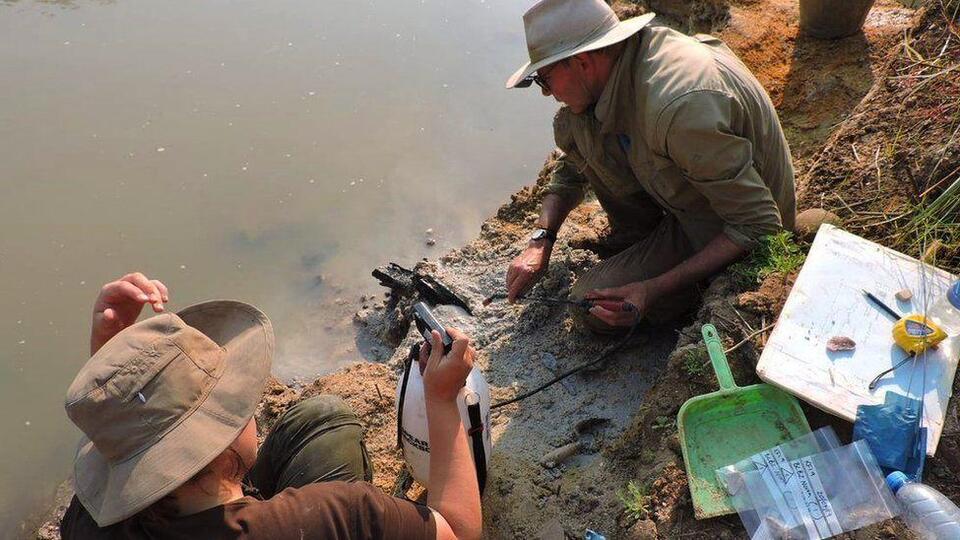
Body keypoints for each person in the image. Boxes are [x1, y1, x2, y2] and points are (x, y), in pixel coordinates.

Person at [59, 272, 482, 539]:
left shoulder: (88, 525)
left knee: (320, 418)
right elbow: (459, 532)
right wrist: (441, 400)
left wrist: (114, 361)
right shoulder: (336, 516)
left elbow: (124, 436)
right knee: (331, 425)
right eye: (234, 399)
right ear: (221, 440)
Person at [504, 0, 796, 332]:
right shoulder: (624, 65)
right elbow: (572, 167)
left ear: (582, 62)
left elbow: (758, 225)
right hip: (704, 196)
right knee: (577, 125)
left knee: (589, 304)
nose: (546, 93)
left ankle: (691, 288)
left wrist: (652, 289)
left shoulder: (677, 107)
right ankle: (646, 242)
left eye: (544, 79)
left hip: (737, 229)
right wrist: (541, 240)